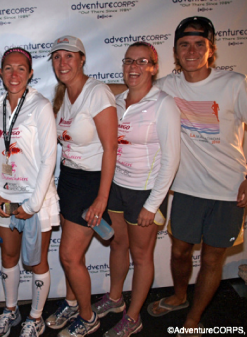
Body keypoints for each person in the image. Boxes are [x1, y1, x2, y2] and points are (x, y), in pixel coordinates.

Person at [109, 17, 247, 336]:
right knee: (179, 252)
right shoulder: (166, 86)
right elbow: (130, 89)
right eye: (184, 45)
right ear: (176, 52)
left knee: (210, 260)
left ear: (211, 49)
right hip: (187, 189)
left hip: (229, 190)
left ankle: (194, 317)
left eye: (199, 44)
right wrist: (82, 86)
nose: (191, 51)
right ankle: (179, 296)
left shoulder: (235, 82)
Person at [91, 42, 181, 337]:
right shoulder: (117, 103)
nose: (134, 67)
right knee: (118, 245)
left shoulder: (163, 103)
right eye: (129, 61)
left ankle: (133, 317)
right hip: (117, 186)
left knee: (142, 257)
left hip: (145, 192)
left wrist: (153, 205)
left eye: (142, 62)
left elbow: (171, 158)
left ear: (154, 68)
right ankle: (116, 298)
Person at [45, 36, 118, 337]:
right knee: (76, 254)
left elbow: (111, 147)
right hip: (69, 179)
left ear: (82, 59)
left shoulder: (97, 92)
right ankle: (73, 301)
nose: (63, 63)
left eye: (69, 56)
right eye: (57, 57)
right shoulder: (62, 95)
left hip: (91, 182)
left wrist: (101, 198)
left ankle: (88, 319)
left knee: (69, 256)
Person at [0, 47, 59, 337]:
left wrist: (32, 204)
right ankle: (10, 309)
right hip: (5, 199)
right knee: (8, 256)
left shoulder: (40, 106)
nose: (14, 74)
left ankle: (36, 316)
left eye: (21, 68)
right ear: (1, 73)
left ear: (30, 73)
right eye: (8, 68)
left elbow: (49, 159)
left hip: (37, 200)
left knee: (38, 260)